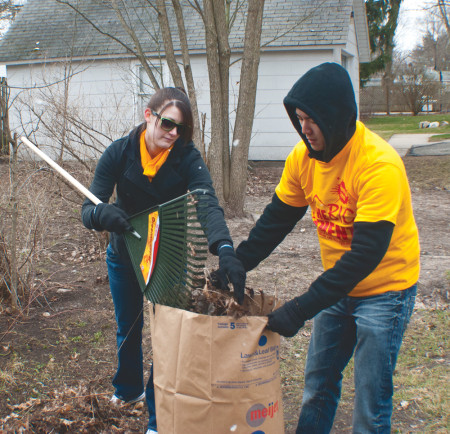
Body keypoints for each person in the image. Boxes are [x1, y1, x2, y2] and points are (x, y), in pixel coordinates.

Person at [236, 63, 420, 433]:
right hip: (339, 287)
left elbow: (365, 255)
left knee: (370, 402)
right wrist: (238, 262)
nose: (304, 128)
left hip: (385, 290)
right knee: (317, 387)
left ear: (336, 116)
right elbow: (276, 220)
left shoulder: (377, 164)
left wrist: (301, 308)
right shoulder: (303, 158)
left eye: (312, 119)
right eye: (299, 118)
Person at [81, 87, 246, 434]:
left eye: (180, 129)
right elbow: (87, 209)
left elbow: (206, 202)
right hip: (124, 253)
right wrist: (102, 215)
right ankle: (127, 391)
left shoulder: (186, 157)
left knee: (169, 334)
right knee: (128, 325)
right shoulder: (119, 152)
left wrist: (225, 248)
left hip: (169, 257)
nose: (173, 133)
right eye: (168, 123)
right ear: (148, 115)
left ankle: (159, 416)